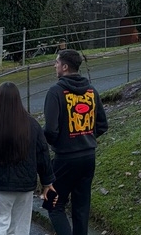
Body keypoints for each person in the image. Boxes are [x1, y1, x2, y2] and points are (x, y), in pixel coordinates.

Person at [0, 82, 56, 235]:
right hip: (24, 185)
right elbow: (42, 153)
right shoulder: (32, 125)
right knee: (19, 229)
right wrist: (47, 181)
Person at [43, 49, 108, 235]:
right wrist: (85, 136)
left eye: (56, 63)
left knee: (53, 204)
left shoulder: (55, 92)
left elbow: (51, 130)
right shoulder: (91, 91)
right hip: (88, 157)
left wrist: (55, 142)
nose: (54, 66)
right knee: (81, 207)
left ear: (64, 67)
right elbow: (102, 125)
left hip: (65, 158)